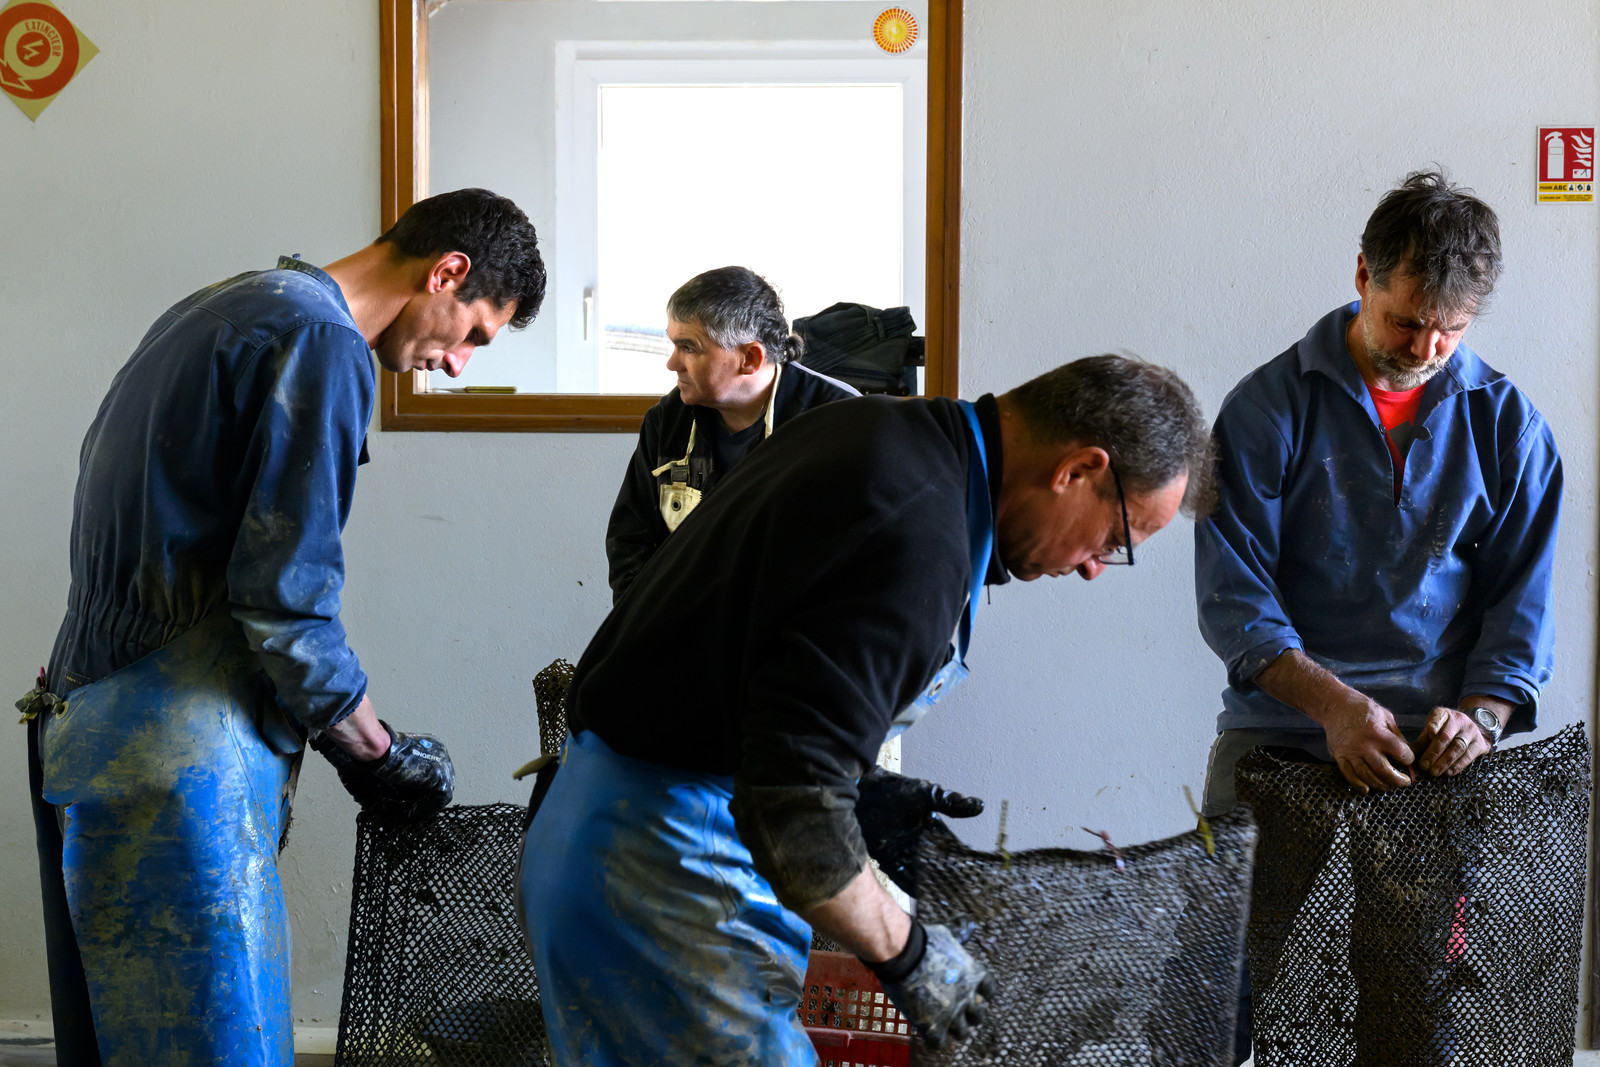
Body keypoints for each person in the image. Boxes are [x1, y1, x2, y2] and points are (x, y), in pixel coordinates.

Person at [521, 354, 1214, 1063]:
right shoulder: (921, 533)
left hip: (620, 826)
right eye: (1116, 537)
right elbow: (790, 809)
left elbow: (767, 672)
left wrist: (860, 786)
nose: (1097, 565)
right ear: (1079, 470)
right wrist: (911, 955)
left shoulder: (893, 436)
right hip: (661, 868)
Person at [19, 187, 547, 1067]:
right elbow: (285, 601)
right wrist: (375, 752)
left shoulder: (227, 303)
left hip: (84, 721)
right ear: (447, 272)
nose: (457, 363)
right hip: (173, 753)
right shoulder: (321, 342)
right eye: (475, 333)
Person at [1195, 170, 1562, 1063]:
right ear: (1362, 275)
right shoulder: (1266, 409)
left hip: (1428, 759)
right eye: (1406, 321)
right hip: (1278, 735)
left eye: (1452, 329)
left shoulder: (1510, 427)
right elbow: (1234, 600)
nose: (1427, 346)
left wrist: (1480, 718)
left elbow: (1522, 612)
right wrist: (1333, 706)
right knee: (1214, 995)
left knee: (1415, 1009)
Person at [604, 265, 858, 601]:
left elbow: (859, 562)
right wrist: (647, 631)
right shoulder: (667, 422)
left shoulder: (840, 422)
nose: (672, 363)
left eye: (689, 348)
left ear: (750, 358)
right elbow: (630, 541)